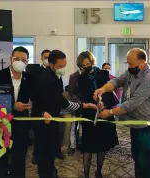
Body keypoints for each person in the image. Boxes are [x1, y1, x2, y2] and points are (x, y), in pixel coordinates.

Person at [31, 50, 98, 178]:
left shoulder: (54, 76)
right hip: (44, 123)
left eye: (65, 65)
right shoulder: (46, 79)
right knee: (45, 158)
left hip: (51, 120)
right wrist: (83, 106)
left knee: (49, 157)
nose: (63, 69)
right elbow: (60, 102)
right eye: (61, 66)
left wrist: (82, 106)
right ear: (51, 64)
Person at [96, 48, 150, 178]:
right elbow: (117, 81)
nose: (129, 67)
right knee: (137, 157)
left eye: (131, 64)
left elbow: (133, 102)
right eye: (128, 63)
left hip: (147, 125)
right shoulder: (131, 72)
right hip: (135, 122)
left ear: (142, 63)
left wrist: (111, 112)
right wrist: (103, 89)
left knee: (145, 161)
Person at [0, 46, 32, 178]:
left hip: (21, 127)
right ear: (11, 59)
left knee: (20, 160)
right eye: (17, 58)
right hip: (1, 125)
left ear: (27, 62)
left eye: (23, 59)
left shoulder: (29, 78)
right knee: (1, 160)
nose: (20, 61)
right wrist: (13, 105)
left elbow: (36, 98)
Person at [77, 51, 119, 178]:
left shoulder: (103, 73)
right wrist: (92, 104)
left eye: (88, 63)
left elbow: (109, 91)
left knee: (102, 146)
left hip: (104, 112)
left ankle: (98, 172)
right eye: (83, 65)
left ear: (92, 61)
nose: (86, 67)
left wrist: (104, 104)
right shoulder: (81, 78)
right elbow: (83, 97)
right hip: (89, 113)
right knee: (88, 146)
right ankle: (86, 174)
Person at [32, 49, 51, 164]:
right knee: (39, 135)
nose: (47, 59)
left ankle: (54, 153)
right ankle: (36, 155)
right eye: (45, 57)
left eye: (50, 57)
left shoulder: (55, 72)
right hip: (39, 109)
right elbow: (34, 93)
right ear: (41, 58)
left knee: (51, 135)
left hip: (52, 109)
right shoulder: (35, 72)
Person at [65, 57, 84, 155]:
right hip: (76, 105)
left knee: (85, 126)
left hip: (87, 105)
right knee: (74, 126)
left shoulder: (90, 75)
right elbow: (71, 92)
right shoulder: (73, 76)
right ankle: (72, 145)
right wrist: (79, 103)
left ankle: (83, 144)